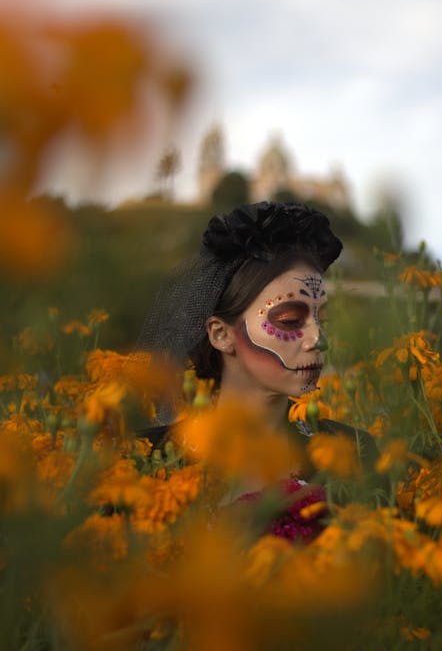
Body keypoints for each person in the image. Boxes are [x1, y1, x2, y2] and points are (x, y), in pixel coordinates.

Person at [138, 202, 379, 536]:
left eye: (323, 320)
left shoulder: (354, 453)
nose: (318, 339)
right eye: (291, 320)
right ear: (221, 334)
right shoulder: (144, 460)